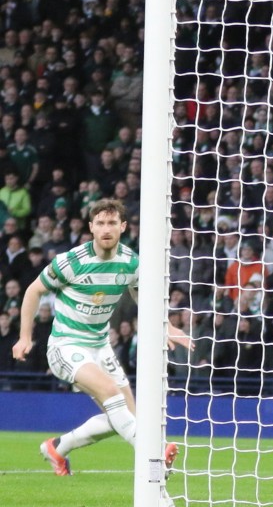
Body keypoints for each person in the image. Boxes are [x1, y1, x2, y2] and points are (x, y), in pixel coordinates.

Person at [10, 199, 190, 475]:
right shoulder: (71, 262)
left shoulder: (130, 262)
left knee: (127, 417)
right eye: (101, 223)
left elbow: (142, 295)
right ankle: (153, 455)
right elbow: (33, 291)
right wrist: (25, 337)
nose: (106, 229)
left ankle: (57, 448)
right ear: (91, 227)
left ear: (123, 227)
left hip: (100, 346)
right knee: (110, 393)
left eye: (112, 223)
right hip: (65, 345)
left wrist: (166, 326)